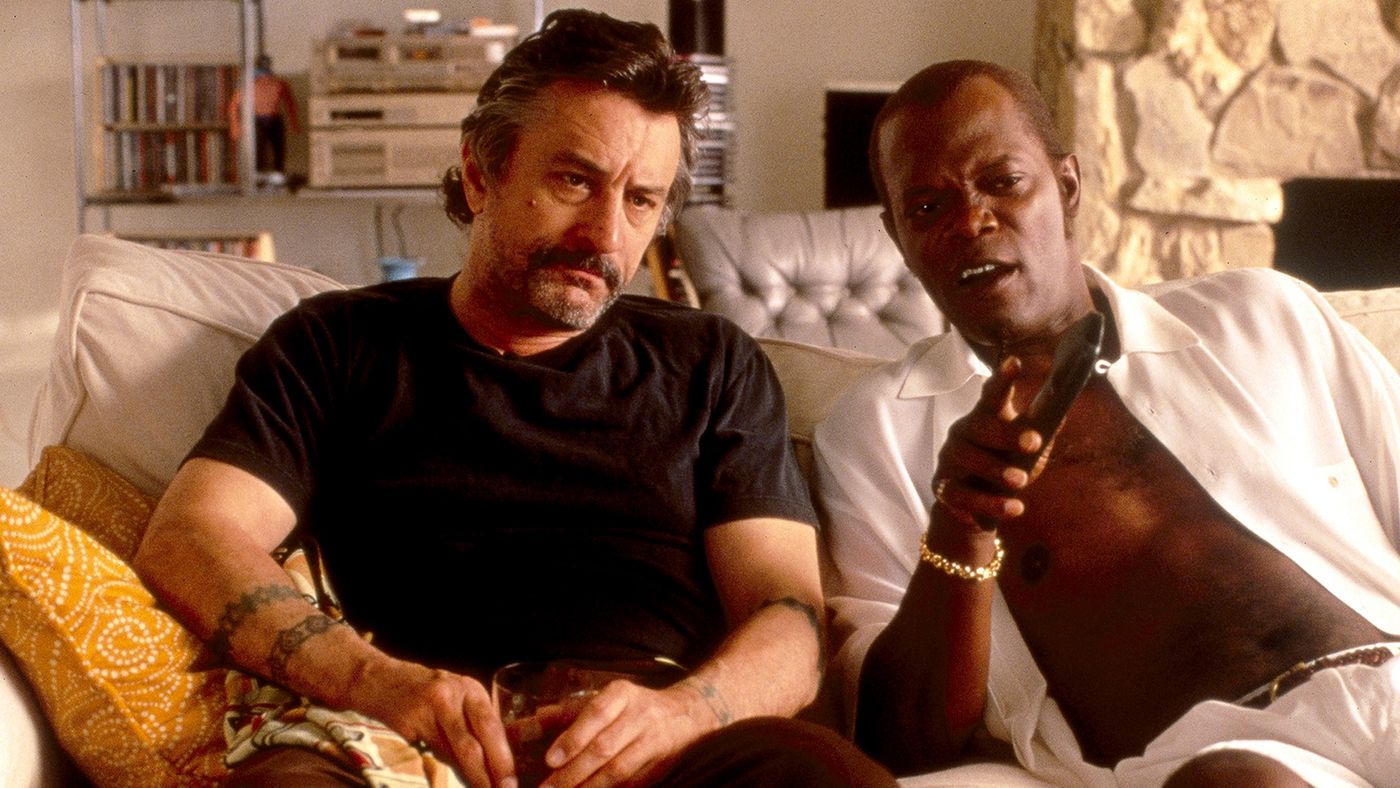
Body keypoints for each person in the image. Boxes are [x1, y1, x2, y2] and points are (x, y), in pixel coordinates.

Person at [136, 11, 894, 788]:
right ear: (480, 173)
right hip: (399, 740)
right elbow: (190, 536)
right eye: (574, 181)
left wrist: (686, 714)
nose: (605, 233)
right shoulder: (338, 344)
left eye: (641, 200)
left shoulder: (712, 364)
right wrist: (376, 683)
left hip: (666, 749)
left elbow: (790, 620)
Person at [812, 59, 1400, 787]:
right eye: (928, 208)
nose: (972, 221)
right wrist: (961, 525)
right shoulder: (875, 432)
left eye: (1003, 182)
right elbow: (900, 737)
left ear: (1067, 187)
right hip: (1229, 766)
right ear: (898, 238)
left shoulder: (1264, 317)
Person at [228, 54, 301, 181]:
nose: (264, 77)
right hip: (256, 120)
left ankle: (277, 177)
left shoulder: (280, 83)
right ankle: (256, 179)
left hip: (274, 120)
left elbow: (290, 104)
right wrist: (235, 126)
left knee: (279, 151)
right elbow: (233, 106)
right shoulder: (248, 85)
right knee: (257, 152)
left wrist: (294, 123)